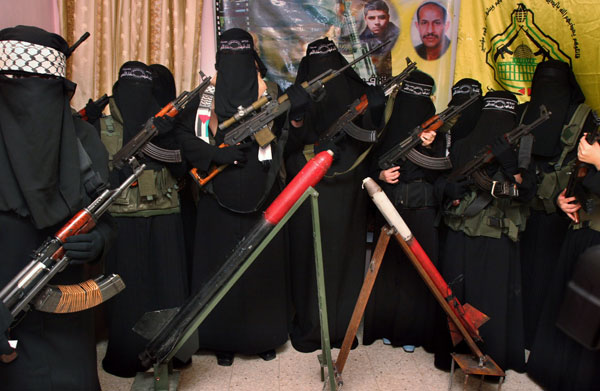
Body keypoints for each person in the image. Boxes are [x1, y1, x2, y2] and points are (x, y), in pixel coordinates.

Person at [172, 28, 309, 366]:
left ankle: (263, 337)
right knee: (218, 271)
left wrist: (297, 116)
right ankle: (222, 340)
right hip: (216, 198)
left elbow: (288, 143)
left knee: (261, 271)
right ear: (220, 61)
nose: (236, 64)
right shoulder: (204, 99)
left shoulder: (271, 93)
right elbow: (181, 136)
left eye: (241, 55)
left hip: (262, 195)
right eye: (228, 55)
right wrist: (213, 155)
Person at [0, 25, 115, 390]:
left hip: (67, 314)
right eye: (15, 86)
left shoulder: (83, 141)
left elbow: (106, 218)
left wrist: (98, 242)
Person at [285, 37, 386, 353]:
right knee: (308, 257)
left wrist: (376, 110)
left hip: (347, 187)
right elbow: (283, 146)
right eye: (317, 63)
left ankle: (343, 327)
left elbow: (371, 142)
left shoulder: (357, 94)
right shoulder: (297, 96)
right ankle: (309, 327)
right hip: (308, 184)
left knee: (344, 257)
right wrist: (298, 117)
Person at [434, 90, 536, 372]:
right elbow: (439, 184)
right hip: (460, 232)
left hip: (497, 236)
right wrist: (447, 189)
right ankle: (454, 353)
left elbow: (528, 193)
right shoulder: (463, 145)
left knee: (490, 306)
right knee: (456, 300)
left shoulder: (522, 147)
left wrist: (511, 165)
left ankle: (490, 358)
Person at [99, 61, 189, 377]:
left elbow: (182, 169)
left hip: (164, 210)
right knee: (127, 292)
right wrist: (110, 173)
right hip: (120, 215)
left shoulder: (162, 120)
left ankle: (172, 354)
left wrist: (166, 138)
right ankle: (125, 355)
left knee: (167, 287)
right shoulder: (101, 120)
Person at [362, 70, 443, 353]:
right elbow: (368, 162)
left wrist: (432, 148)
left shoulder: (438, 132)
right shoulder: (386, 126)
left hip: (421, 207)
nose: (417, 105)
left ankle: (412, 332)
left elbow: (446, 174)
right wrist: (381, 175)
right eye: (413, 96)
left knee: (416, 274)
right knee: (388, 270)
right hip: (391, 204)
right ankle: (384, 327)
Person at [518, 59, 594, 349]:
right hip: (525, 206)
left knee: (550, 278)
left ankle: (542, 342)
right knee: (523, 277)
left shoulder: (583, 117)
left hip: (562, 210)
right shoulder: (525, 111)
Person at [526, 133, 600, 390]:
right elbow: (578, 183)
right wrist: (563, 199)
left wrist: (599, 161)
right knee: (567, 309)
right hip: (581, 236)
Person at [359, 0, 400, 76]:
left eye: (381, 17)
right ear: (365, 19)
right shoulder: (360, 42)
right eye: (372, 18)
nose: (377, 22)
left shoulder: (399, 37)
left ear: (388, 18)